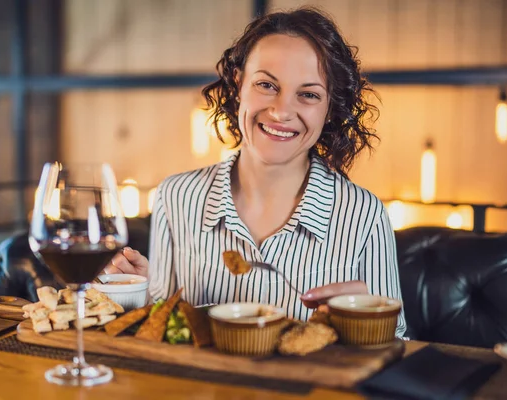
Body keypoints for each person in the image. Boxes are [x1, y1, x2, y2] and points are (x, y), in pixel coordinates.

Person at [106, 7, 405, 336]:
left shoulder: (364, 215)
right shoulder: (176, 197)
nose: (281, 111)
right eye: (267, 85)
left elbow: (398, 346)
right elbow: (166, 330)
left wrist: (368, 324)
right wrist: (139, 293)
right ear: (238, 85)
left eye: (308, 94)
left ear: (330, 109)